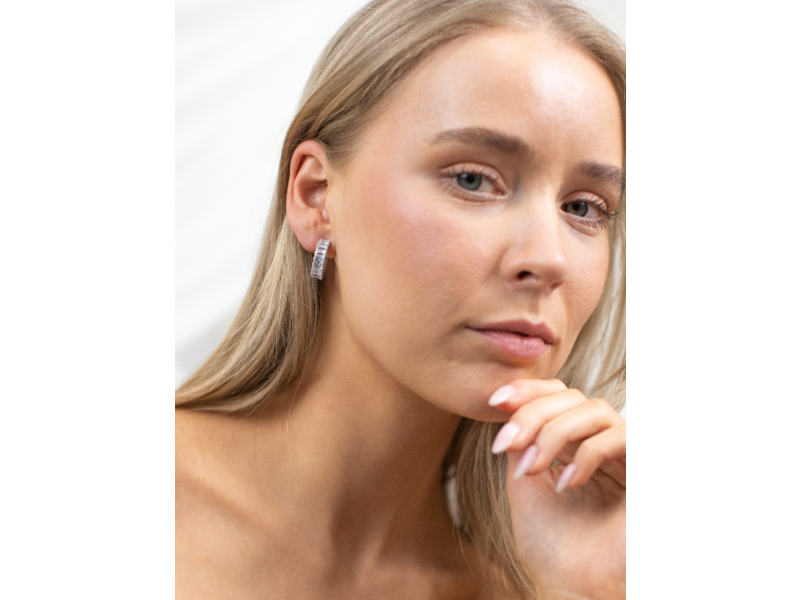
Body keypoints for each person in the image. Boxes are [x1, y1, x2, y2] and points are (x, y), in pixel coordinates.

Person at [175, 0, 626, 598]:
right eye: (472, 179)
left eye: (583, 208)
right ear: (316, 196)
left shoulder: (532, 587)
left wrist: (589, 590)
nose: (549, 259)